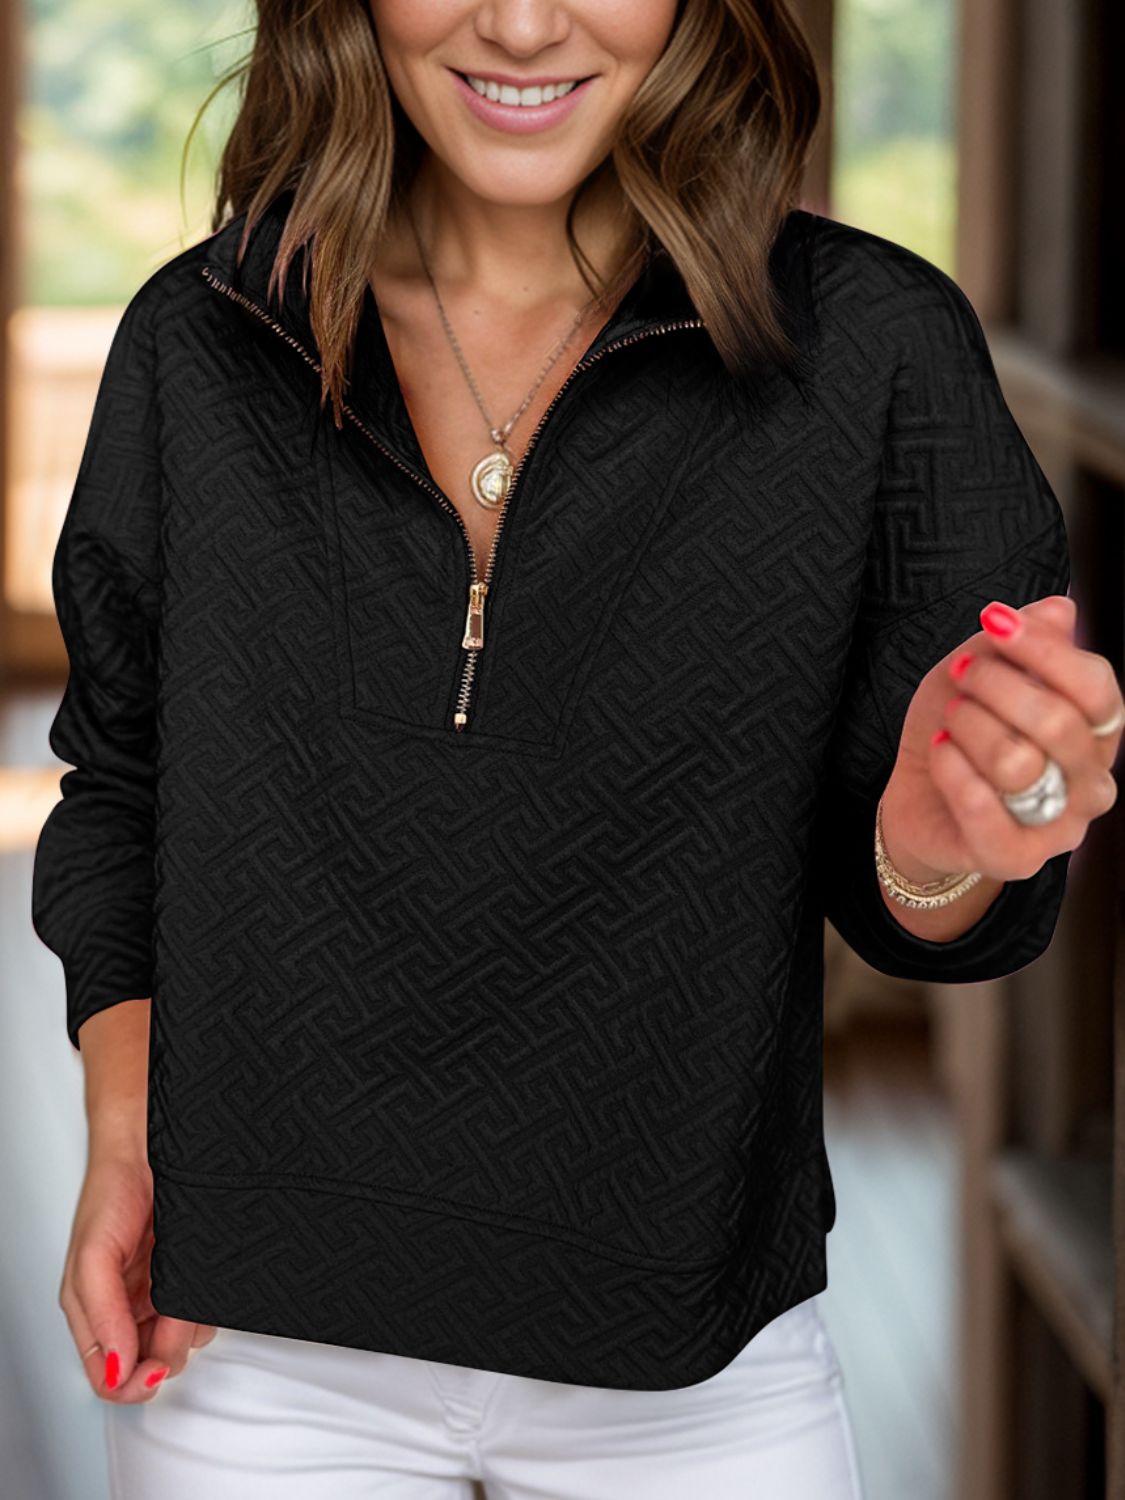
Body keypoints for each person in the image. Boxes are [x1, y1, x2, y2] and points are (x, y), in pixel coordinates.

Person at [31, 0, 1124, 1496]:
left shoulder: (876, 348)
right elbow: (123, 784)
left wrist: (938, 849)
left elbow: (931, 914)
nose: (525, 23)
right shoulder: (201, 337)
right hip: (249, 1352)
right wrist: (126, 1139)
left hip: (697, 1368)